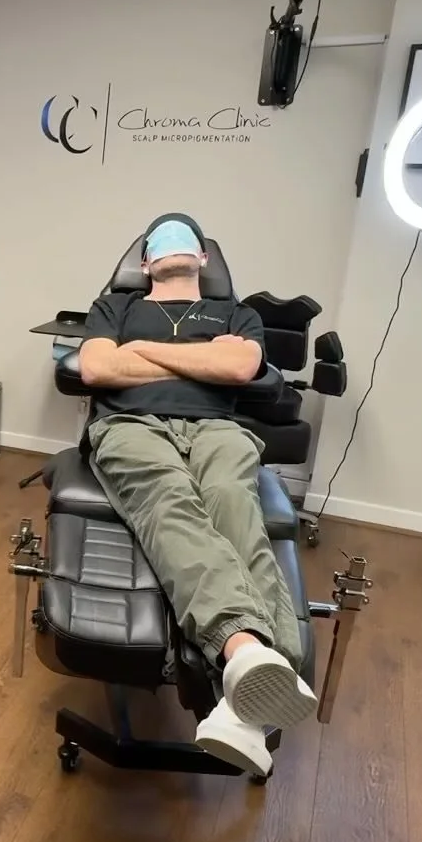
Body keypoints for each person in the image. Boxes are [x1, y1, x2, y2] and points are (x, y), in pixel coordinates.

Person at [77, 212, 316, 779]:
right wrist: (203, 360)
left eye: (186, 237)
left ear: (204, 258)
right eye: (159, 241)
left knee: (235, 507)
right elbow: (96, 368)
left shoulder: (237, 314)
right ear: (145, 263)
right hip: (131, 424)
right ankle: (250, 658)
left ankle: (245, 695)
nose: (173, 242)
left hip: (218, 430)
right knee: (171, 503)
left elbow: (241, 365)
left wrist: (139, 353)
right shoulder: (114, 308)